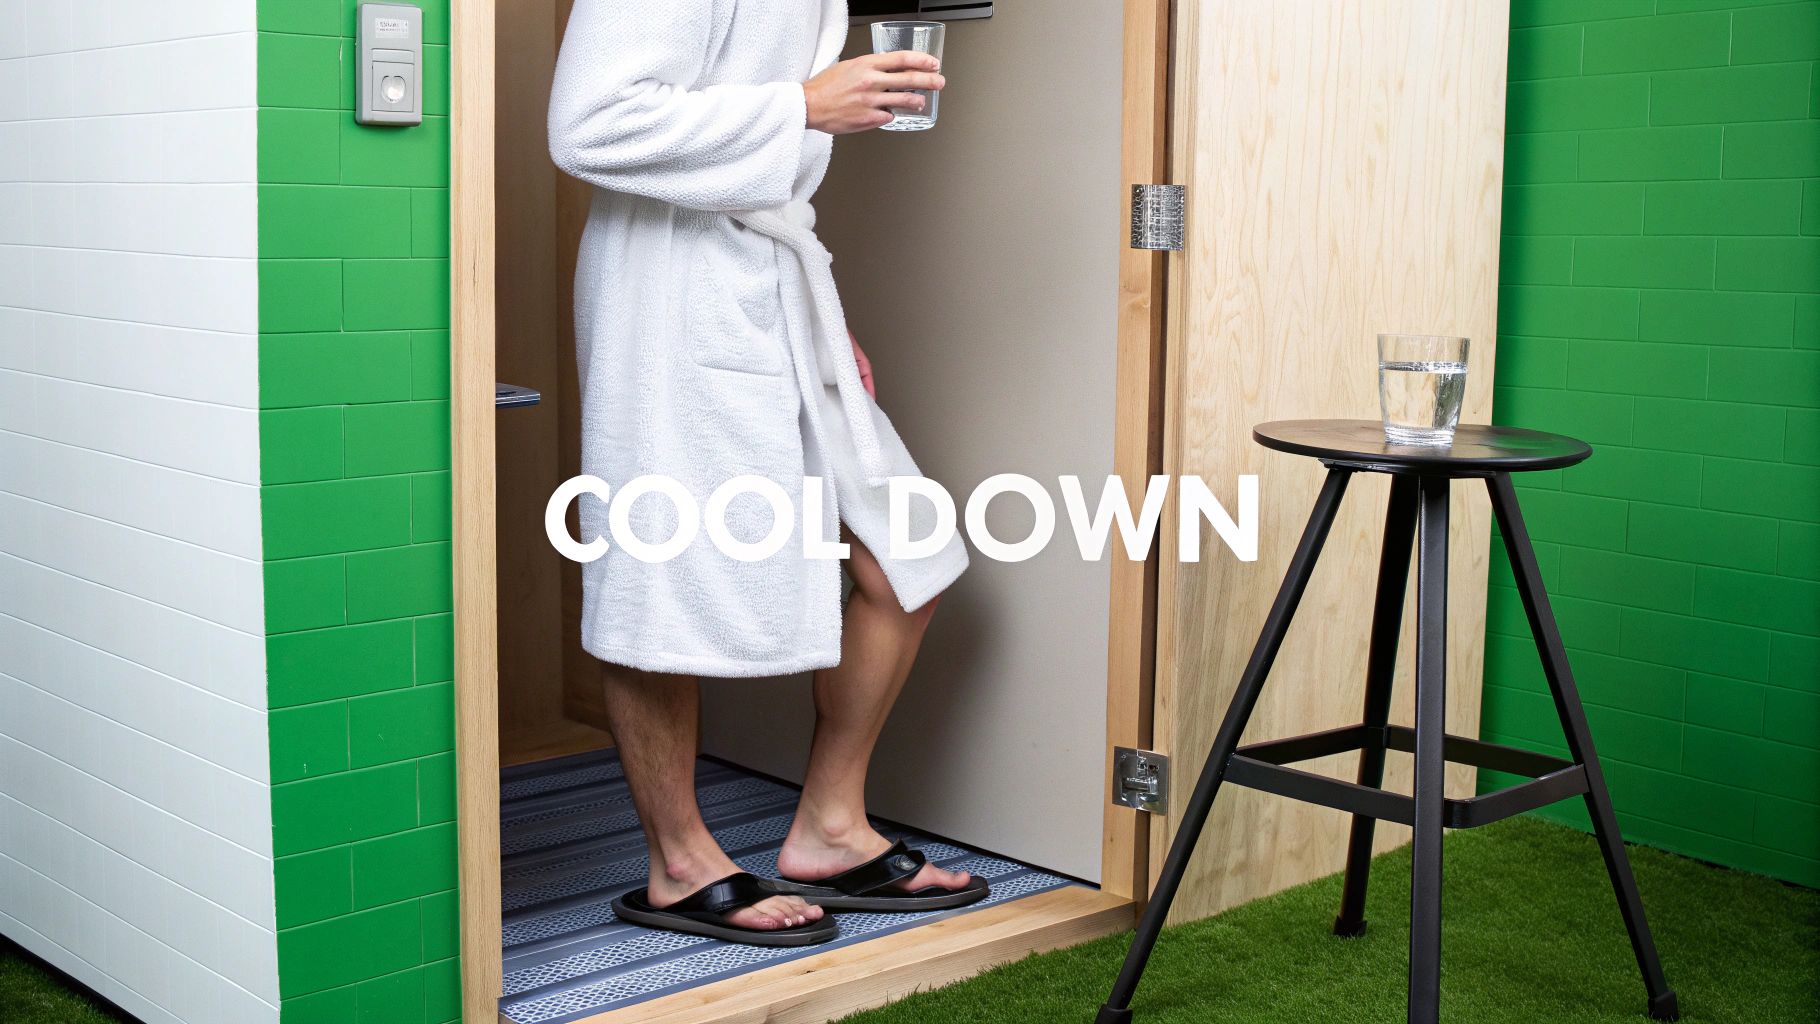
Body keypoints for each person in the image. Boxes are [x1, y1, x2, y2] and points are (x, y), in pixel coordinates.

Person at [548, 0, 980, 946]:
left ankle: (830, 825)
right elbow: (587, 124)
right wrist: (803, 106)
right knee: (660, 572)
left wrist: (824, 320)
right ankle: (679, 861)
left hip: (772, 274)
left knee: (910, 550)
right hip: (663, 288)